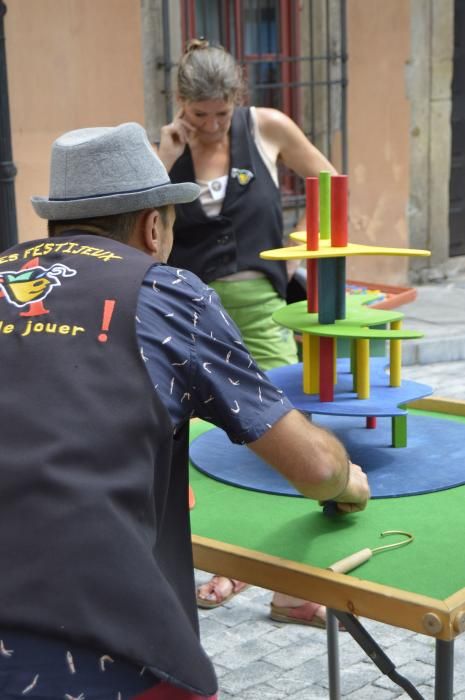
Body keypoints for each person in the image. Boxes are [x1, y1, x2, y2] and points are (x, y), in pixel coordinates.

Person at [0, 122, 369, 700]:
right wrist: (347, 479)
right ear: (154, 226)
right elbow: (314, 469)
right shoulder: (164, 292)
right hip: (92, 638)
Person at [157, 39, 341, 625]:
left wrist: (304, 240)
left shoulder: (266, 126)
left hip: (262, 306)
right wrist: (165, 155)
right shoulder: (168, 145)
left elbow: (329, 181)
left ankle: (291, 585)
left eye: (219, 113)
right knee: (199, 441)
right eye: (197, 114)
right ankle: (229, 560)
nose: (210, 126)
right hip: (187, 312)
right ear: (179, 101)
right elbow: (149, 230)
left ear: (237, 98)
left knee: (284, 427)